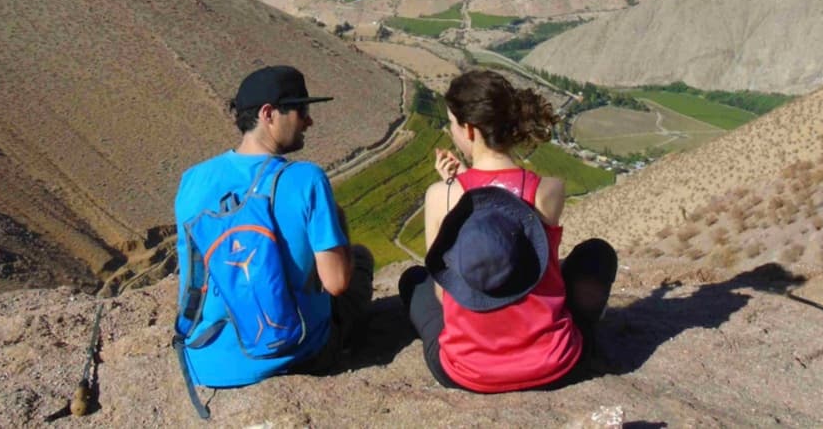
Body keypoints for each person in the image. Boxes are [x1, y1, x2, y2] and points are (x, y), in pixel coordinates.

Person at [399, 69, 618, 393]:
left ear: (469, 129)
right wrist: (466, 176)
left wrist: (456, 183)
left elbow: (444, 294)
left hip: (468, 372)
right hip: (556, 366)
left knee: (415, 280)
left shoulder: (441, 197)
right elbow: (504, 213)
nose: (451, 131)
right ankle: (576, 332)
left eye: (452, 123)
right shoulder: (548, 190)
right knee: (597, 252)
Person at [174, 65, 374, 392]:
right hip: (294, 354)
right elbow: (336, 283)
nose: (309, 121)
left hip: (207, 362)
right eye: (301, 110)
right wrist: (339, 222)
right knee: (361, 258)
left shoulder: (192, 180)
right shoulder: (307, 178)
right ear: (268, 114)